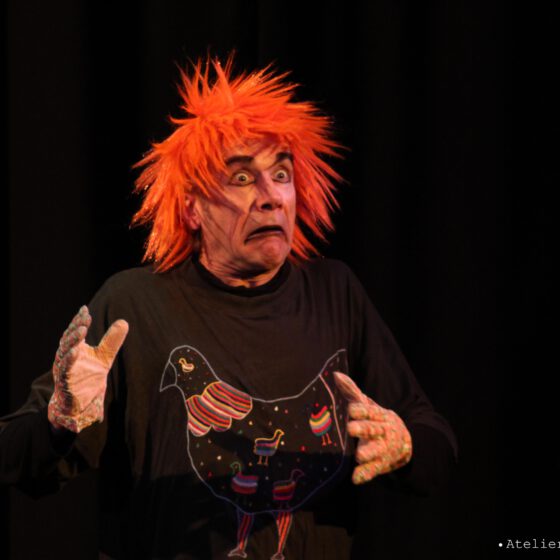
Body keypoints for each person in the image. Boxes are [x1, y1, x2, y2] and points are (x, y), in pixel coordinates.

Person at [1, 56, 457, 560]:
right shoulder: (133, 305)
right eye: (241, 178)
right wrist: (61, 420)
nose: (271, 197)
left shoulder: (335, 292)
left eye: (281, 174)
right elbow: (17, 459)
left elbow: (436, 445)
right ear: (192, 207)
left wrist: (404, 444)